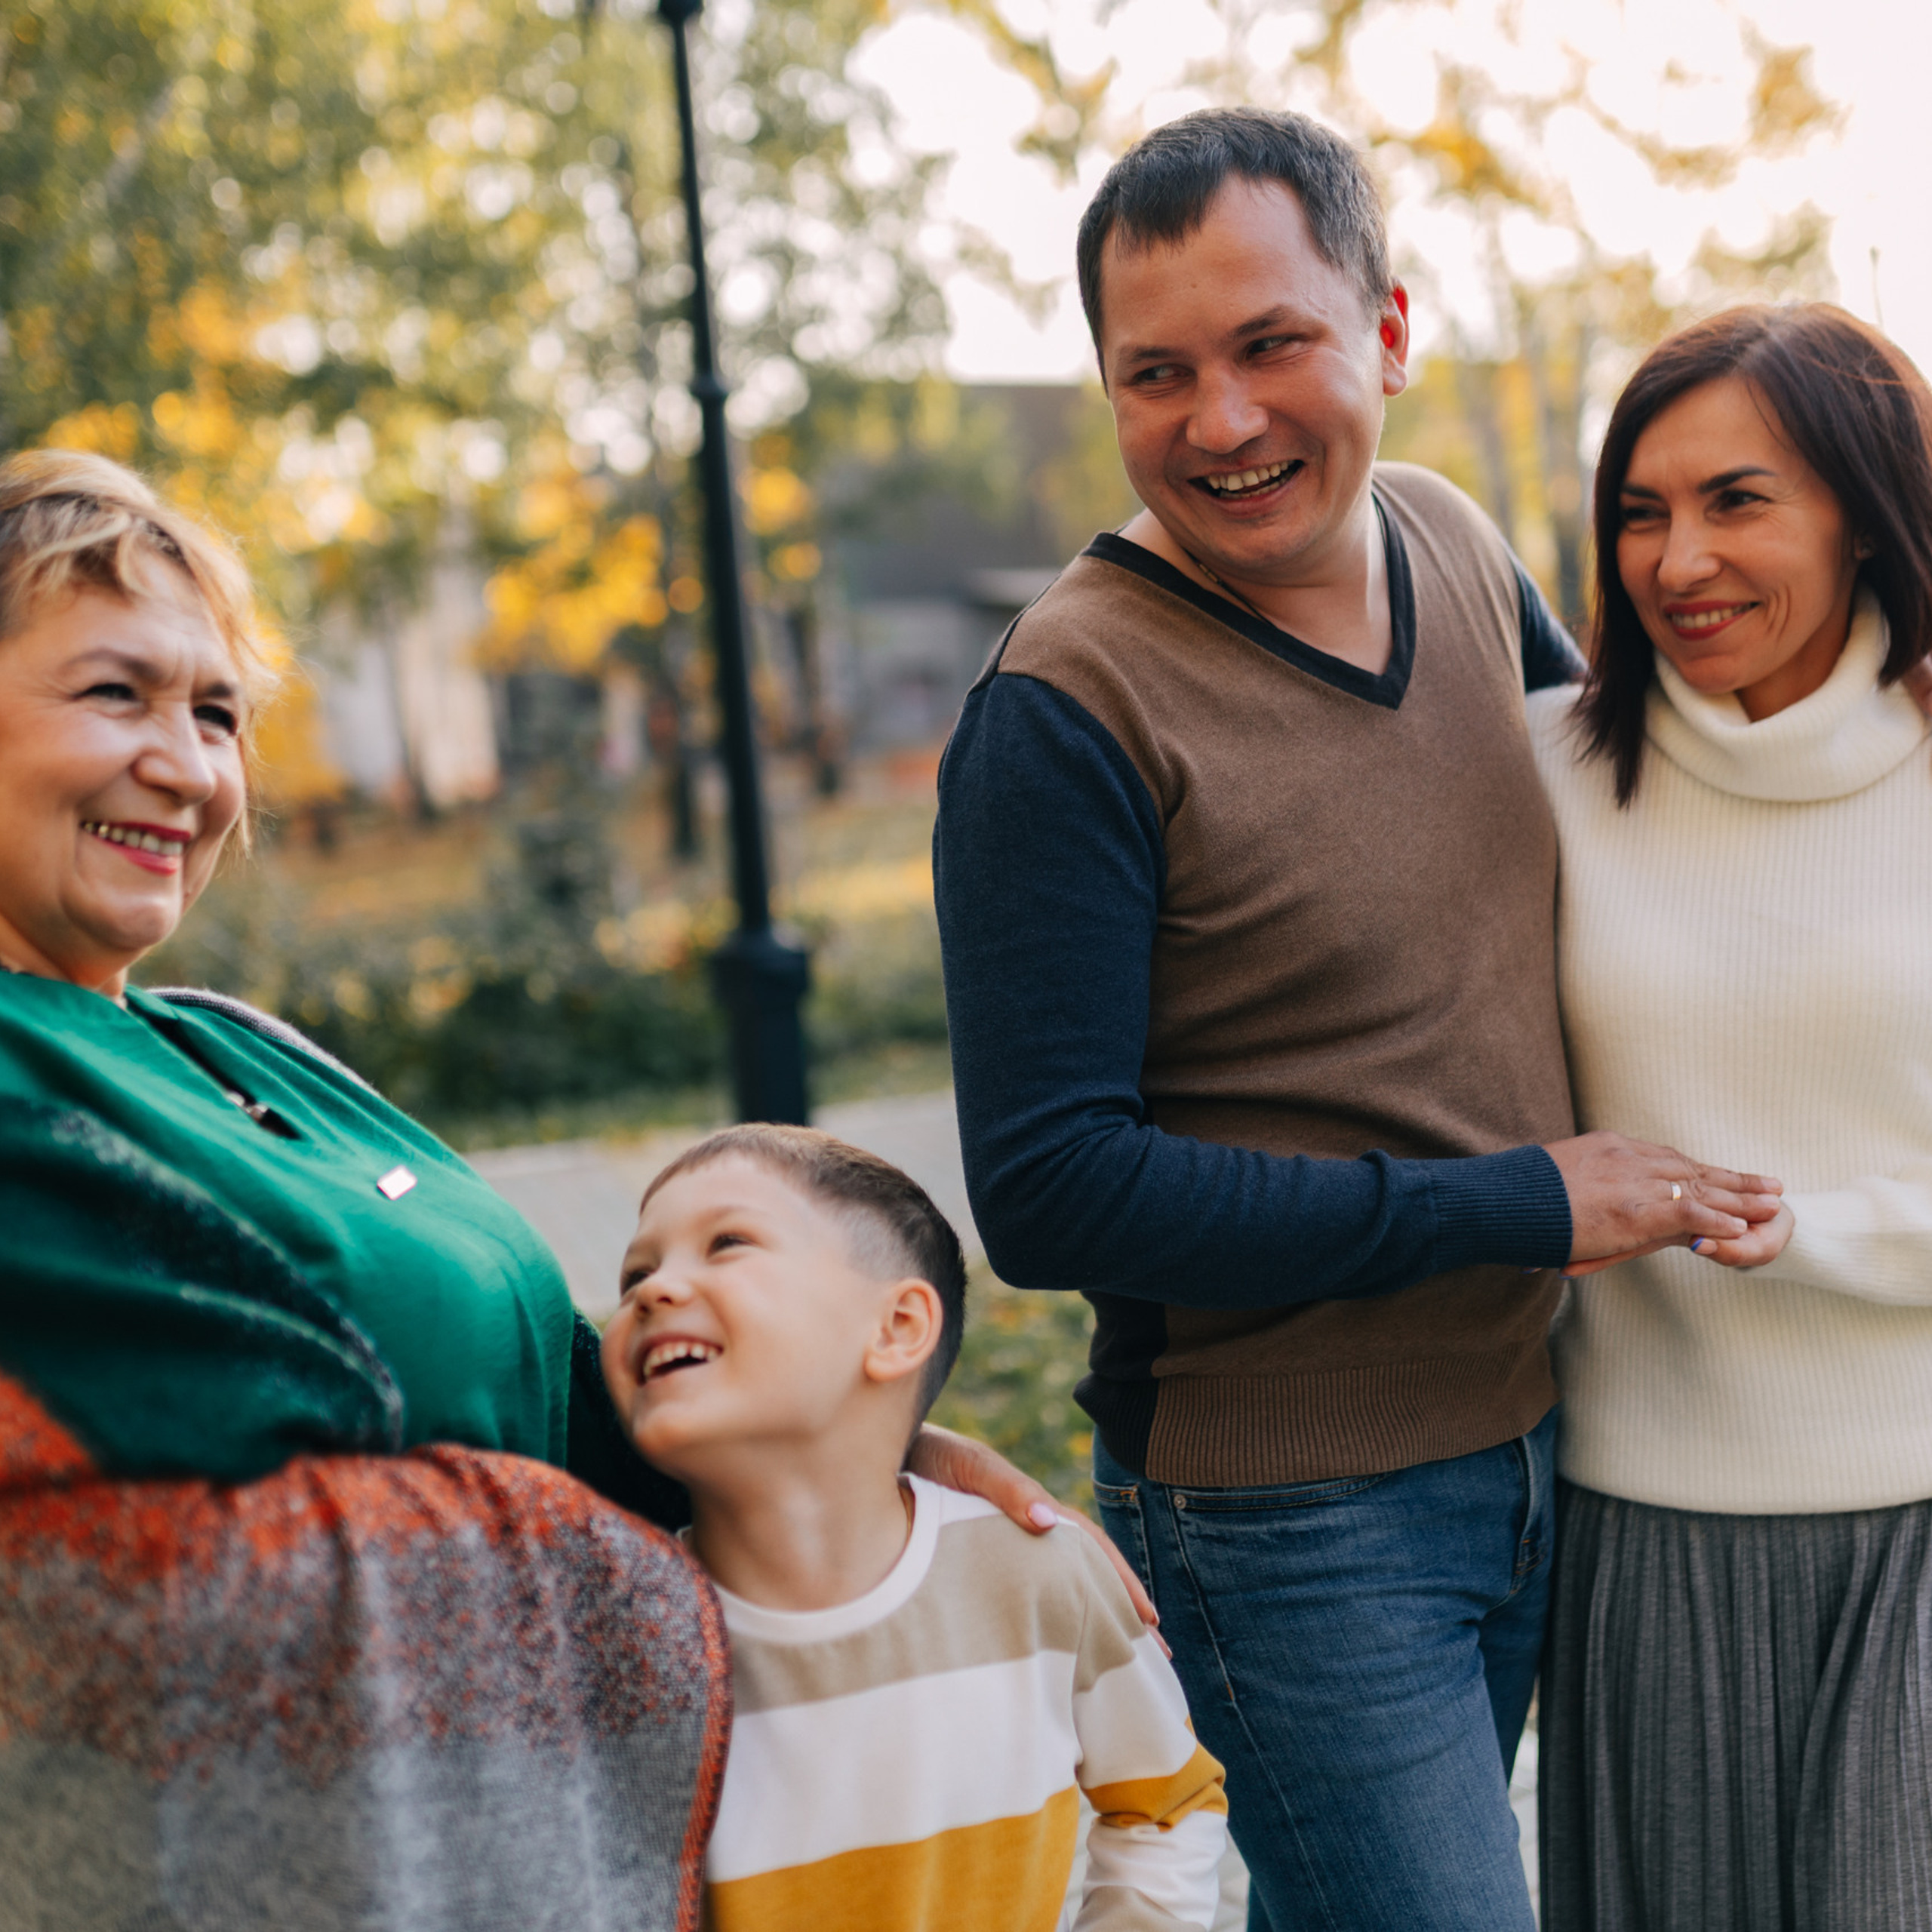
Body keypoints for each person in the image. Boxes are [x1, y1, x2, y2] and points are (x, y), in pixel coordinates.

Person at [0, 448, 1106, 1927]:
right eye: (115, 693)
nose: (193, 769)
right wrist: (600, 1542)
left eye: (216, 713)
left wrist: (844, 1445)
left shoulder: (222, 1038)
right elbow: (246, 1475)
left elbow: (531, 1375)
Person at [933, 107, 1782, 1932]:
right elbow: (1049, 1189)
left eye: (1269, 344)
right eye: (1156, 373)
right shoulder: (1063, 706)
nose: (1218, 419)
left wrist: (1879, 683)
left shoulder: (1451, 541)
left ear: (1386, 333)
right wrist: (1515, 1202)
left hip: (1546, 1440)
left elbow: (1656, 804)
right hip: (1285, 1514)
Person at [1527, 304, 1932, 1930]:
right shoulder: (1544, 766)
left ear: (1865, 513)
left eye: (1735, 501)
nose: (1676, 559)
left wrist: (1810, 1227)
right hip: (1642, 1532)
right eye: (1640, 510)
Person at [601, 1124, 1230, 1932]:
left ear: (897, 1326)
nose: (652, 1290)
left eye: (727, 1244)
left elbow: (1168, 1802)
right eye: (636, 1273)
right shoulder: (614, 1640)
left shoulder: (1037, 1574)